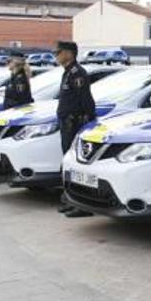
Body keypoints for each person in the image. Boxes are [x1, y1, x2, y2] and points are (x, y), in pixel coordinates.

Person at [54, 41, 96, 218]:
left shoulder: (78, 73)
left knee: (77, 166)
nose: (56, 55)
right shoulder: (68, 73)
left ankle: (83, 205)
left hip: (75, 124)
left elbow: (85, 100)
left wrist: (88, 121)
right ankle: (71, 200)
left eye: (59, 52)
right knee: (68, 164)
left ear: (69, 54)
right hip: (67, 123)